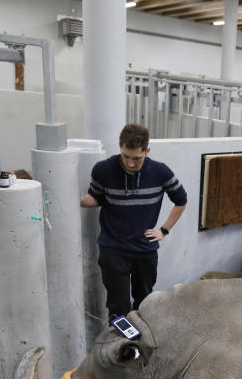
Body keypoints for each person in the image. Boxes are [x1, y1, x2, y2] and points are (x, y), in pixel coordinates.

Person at [80, 123, 187, 320]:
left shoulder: (161, 172)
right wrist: (75, 200)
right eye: (126, 156)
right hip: (113, 248)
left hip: (144, 249)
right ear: (120, 146)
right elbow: (96, 197)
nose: (130, 163)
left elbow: (181, 201)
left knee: (144, 303)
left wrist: (163, 230)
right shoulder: (103, 170)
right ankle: (120, 347)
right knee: (118, 306)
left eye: (136, 158)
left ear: (147, 150)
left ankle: (140, 346)